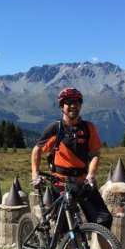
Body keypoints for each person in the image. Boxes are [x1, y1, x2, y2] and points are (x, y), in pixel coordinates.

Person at [31, 87, 113, 230]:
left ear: (80, 105)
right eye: (69, 102)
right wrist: (35, 174)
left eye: (76, 102)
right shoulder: (54, 129)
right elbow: (37, 150)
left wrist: (91, 175)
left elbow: (94, 153)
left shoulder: (88, 128)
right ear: (62, 107)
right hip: (61, 182)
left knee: (103, 220)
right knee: (65, 229)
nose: (73, 105)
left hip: (83, 182)